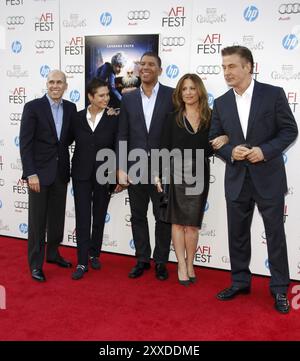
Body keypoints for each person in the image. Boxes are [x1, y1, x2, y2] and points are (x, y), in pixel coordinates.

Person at [209, 46, 298, 313]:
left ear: (249, 66)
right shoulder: (221, 102)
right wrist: (229, 151)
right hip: (237, 178)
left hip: (268, 177)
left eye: (232, 66)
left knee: (275, 234)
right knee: (237, 234)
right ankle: (239, 281)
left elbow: (289, 130)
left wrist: (265, 151)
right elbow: (214, 137)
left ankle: (280, 288)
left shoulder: (273, 94)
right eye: (224, 67)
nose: (227, 72)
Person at [156, 74, 228, 285]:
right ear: (180, 93)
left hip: (200, 172)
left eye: (192, 88)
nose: (188, 92)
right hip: (176, 171)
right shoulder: (172, 118)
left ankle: (190, 263)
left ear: (199, 92)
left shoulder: (211, 117)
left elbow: (220, 140)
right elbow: (163, 148)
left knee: (193, 225)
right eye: (184, 89)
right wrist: (158, 174)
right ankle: (180, 264)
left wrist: (225, 137)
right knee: (178, 223)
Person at [117, 52, 174, 281]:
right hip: (134, 168)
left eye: (151, 64)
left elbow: (176, 133)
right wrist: (121, 167)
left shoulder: (172, 95)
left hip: (163, 169)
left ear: (160, 70)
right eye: (143, 64)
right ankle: (142, 258)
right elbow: (122, 134)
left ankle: (161, 261)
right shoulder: (128, 98)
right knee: (138, 215)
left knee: (162, 217)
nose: (146, 67)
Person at [19, 70, 77, 282]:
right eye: (52, 82)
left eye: (59, 82)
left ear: (65, 85)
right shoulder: (33, 107)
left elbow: (73, 136)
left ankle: (53, 254)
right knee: (37, 222)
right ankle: (35, 264)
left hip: (61, 173)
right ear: (47, 84)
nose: (55, 85)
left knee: (56, 220)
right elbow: (25, 144)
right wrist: (30, 173)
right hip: (39, 175)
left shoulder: (71, 108)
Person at [70, 78, 122, 280]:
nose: (106, 98)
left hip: (105, 172)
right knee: (83, 217)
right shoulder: (76, 118)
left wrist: (119, 172)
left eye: (107, 95)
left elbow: (119, 145)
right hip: (81, 173)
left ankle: (94, 254)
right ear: (90, 97)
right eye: (101, 95)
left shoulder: (113, 117)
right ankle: (82, 261)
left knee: (99, 214)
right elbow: (65, 140)